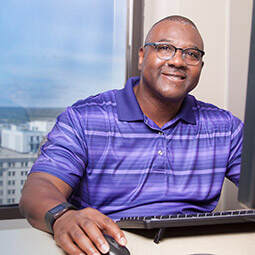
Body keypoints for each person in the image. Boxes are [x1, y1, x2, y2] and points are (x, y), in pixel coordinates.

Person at [19, 15, 243, 255]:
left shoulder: (225, 127)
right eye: (165, 48)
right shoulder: (85, 118)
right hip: (112, 245)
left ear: (200, 66)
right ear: (141, 56)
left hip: (198, 247)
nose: (178, 61)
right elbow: (40, 186)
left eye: (192, 54)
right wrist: (63, 216)